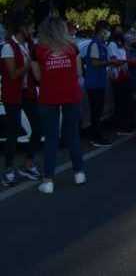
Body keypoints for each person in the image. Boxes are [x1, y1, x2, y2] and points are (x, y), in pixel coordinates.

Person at [31, 15, 85, 194]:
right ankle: (79, 173)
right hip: (71, 94)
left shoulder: (37, 50)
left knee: (51, 138)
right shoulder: (72, 48)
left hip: (49, 96)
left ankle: (48, 181)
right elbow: (78, 72)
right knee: (73, 135)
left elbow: (37, 77)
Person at [2, 14, 41, 186]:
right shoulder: (8, 47)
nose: (32, 30)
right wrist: (29, 64)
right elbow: (13, 74)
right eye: (30, 27)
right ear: (21, 29)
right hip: (13, 94)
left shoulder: (29, 45)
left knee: (38, 127)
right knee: (13, 132)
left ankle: (29, 164)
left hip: (27, 92)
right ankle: (8, 169)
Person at [81, 21, 117, 147]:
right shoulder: (95, 45)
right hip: (94, 83)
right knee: (96, 111)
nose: (108, 33)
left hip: (99, 82)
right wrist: (110, 63)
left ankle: (96, 135)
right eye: (107, 30)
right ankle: (95, 137)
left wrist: (111, 62)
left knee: (98, 111)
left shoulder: (102, 45)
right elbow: (95, 63)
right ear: (101, 30)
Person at [107, 26, 134, 134]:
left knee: (127, 101)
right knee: (121, 102)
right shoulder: (112, 44)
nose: (120, 32)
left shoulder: (122, 44)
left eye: (120, 30)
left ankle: (127, 125)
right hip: (118, 76)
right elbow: (114, 60)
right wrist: (123, 62)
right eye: (117, 30)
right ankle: (121, 126)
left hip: (125, 74)